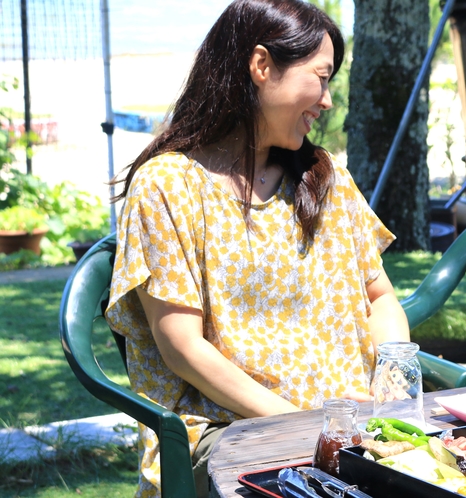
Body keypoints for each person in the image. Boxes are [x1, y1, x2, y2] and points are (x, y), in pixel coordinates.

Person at [105, 1, 410, 496]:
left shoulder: (325, 178)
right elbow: (183, 347)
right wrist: (305, 425)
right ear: (262, 66)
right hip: (233, 432)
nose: (328, 100)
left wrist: (393, 382)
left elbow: (381, 300)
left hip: (353, 428)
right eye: (321, 77)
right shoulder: (168, 186)